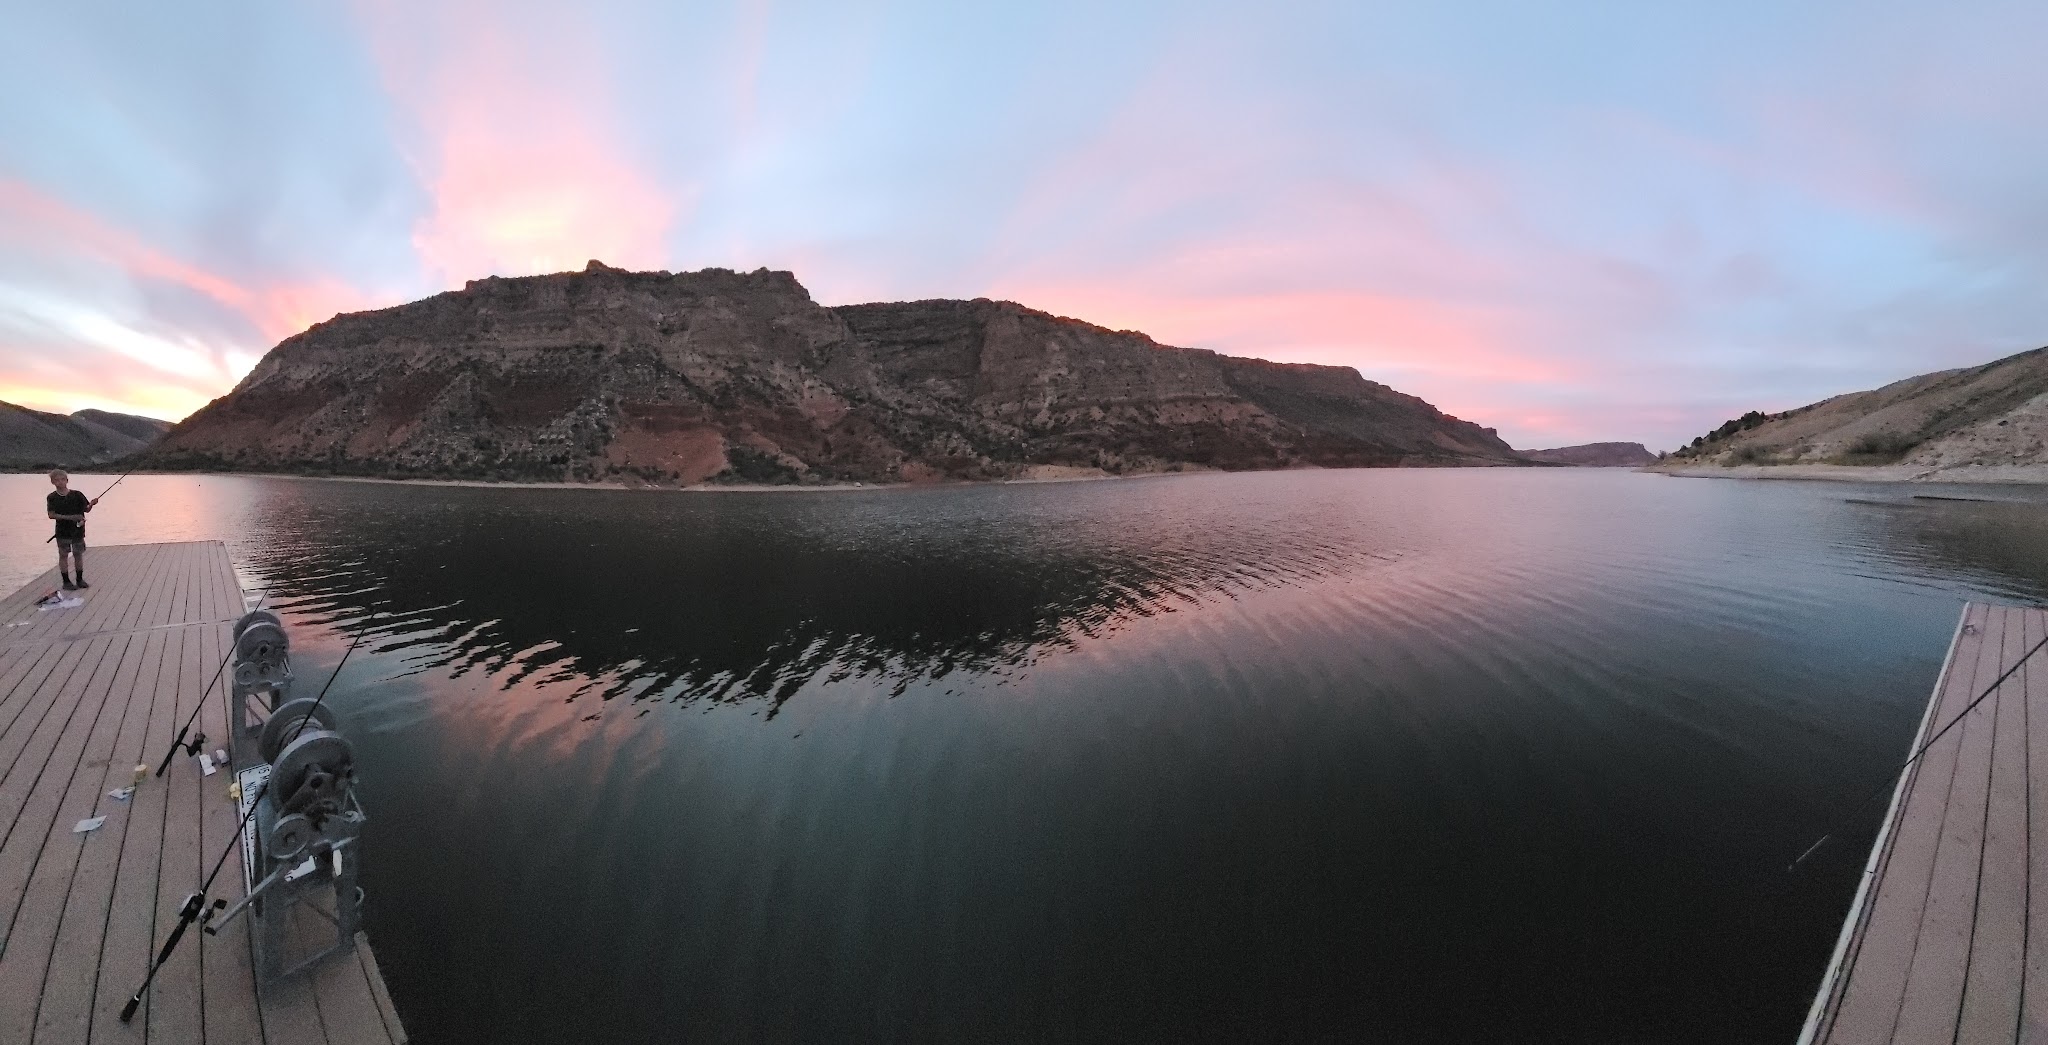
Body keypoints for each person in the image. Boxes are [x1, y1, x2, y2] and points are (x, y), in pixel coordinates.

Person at [46, 470, 97, 590]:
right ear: (53, 482)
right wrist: (71, 518)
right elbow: (51, 515)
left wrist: (92, 504)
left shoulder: (78, 495)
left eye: (62, 479)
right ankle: (66, 582)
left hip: (77, 531)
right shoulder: (52, 497)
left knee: (78, 554)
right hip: (62, 532)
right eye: (57, 480)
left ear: (67, 480)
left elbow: (86, 509)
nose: (60, 482)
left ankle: (80, 580)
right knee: (63, 555)